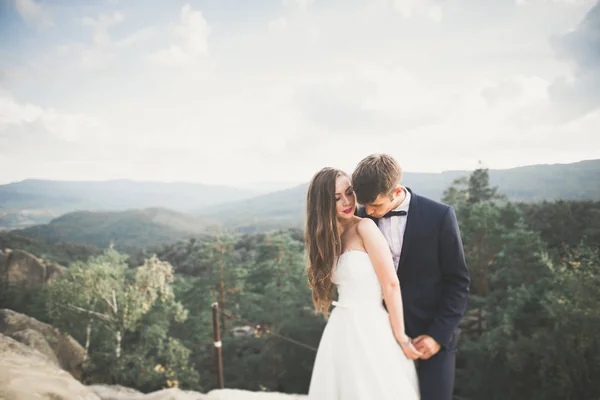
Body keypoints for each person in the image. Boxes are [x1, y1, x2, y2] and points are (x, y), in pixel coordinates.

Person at [351, 154, 470, 400]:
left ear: (395, 191)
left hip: (433, 333)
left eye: (375, 205)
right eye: (366, 206)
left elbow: (457, 282)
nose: (370, 212)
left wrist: (437, 336)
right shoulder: (361, 218)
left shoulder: (440, 216)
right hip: (380, 334)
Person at [306, 167, 420, 400]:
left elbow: (390, 284)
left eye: (349, 192)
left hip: (371, 327)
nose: (347, 202)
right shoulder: (327, 238)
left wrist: (401, 337)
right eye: (337, 198)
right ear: (322, 204)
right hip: (340, 329)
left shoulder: (365, 227)